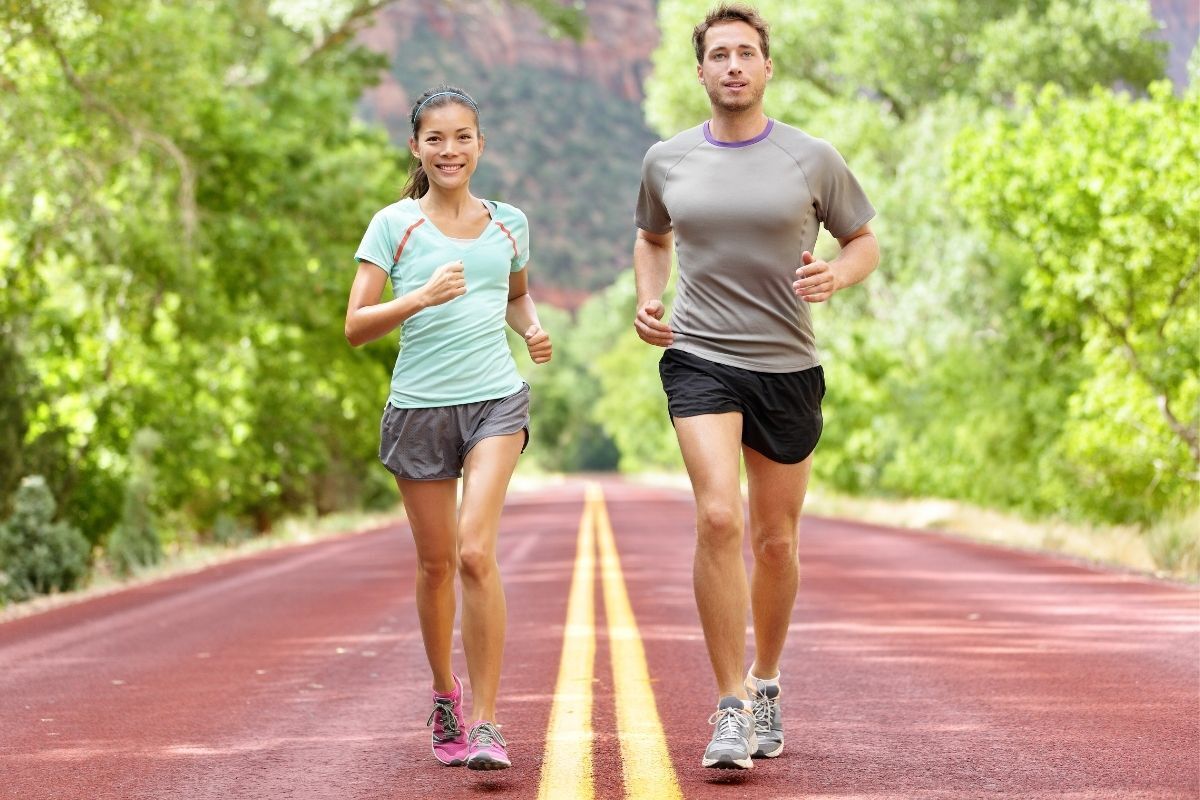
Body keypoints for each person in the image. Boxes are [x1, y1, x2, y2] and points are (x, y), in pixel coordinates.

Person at [633, 3, 880, 771]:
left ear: (767, 69)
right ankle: (731, 704)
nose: (733, 65)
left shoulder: (812, 159)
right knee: (717, 517)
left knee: (776, 541)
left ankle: (767, 680)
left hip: (788, 367)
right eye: (719, 55)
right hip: (700, 357)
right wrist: (649, 295)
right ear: (700, 70)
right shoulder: (667, 160)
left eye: (746, 54)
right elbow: (651, 235)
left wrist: (837, 273)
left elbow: (863, 238)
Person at [345, 85, 552, 771]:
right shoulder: (393, 225)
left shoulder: (509, 223)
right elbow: (355, 328)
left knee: (472, 552)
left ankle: (488, 723)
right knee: (435, 566)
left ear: (480, 145)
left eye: (462, 137)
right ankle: (445, 696)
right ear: (416, 146)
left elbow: (515, 295)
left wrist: (533, 329)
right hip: (419, 410)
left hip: (495, 399)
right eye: (436, 138)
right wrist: (420, 297)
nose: (449, 150)